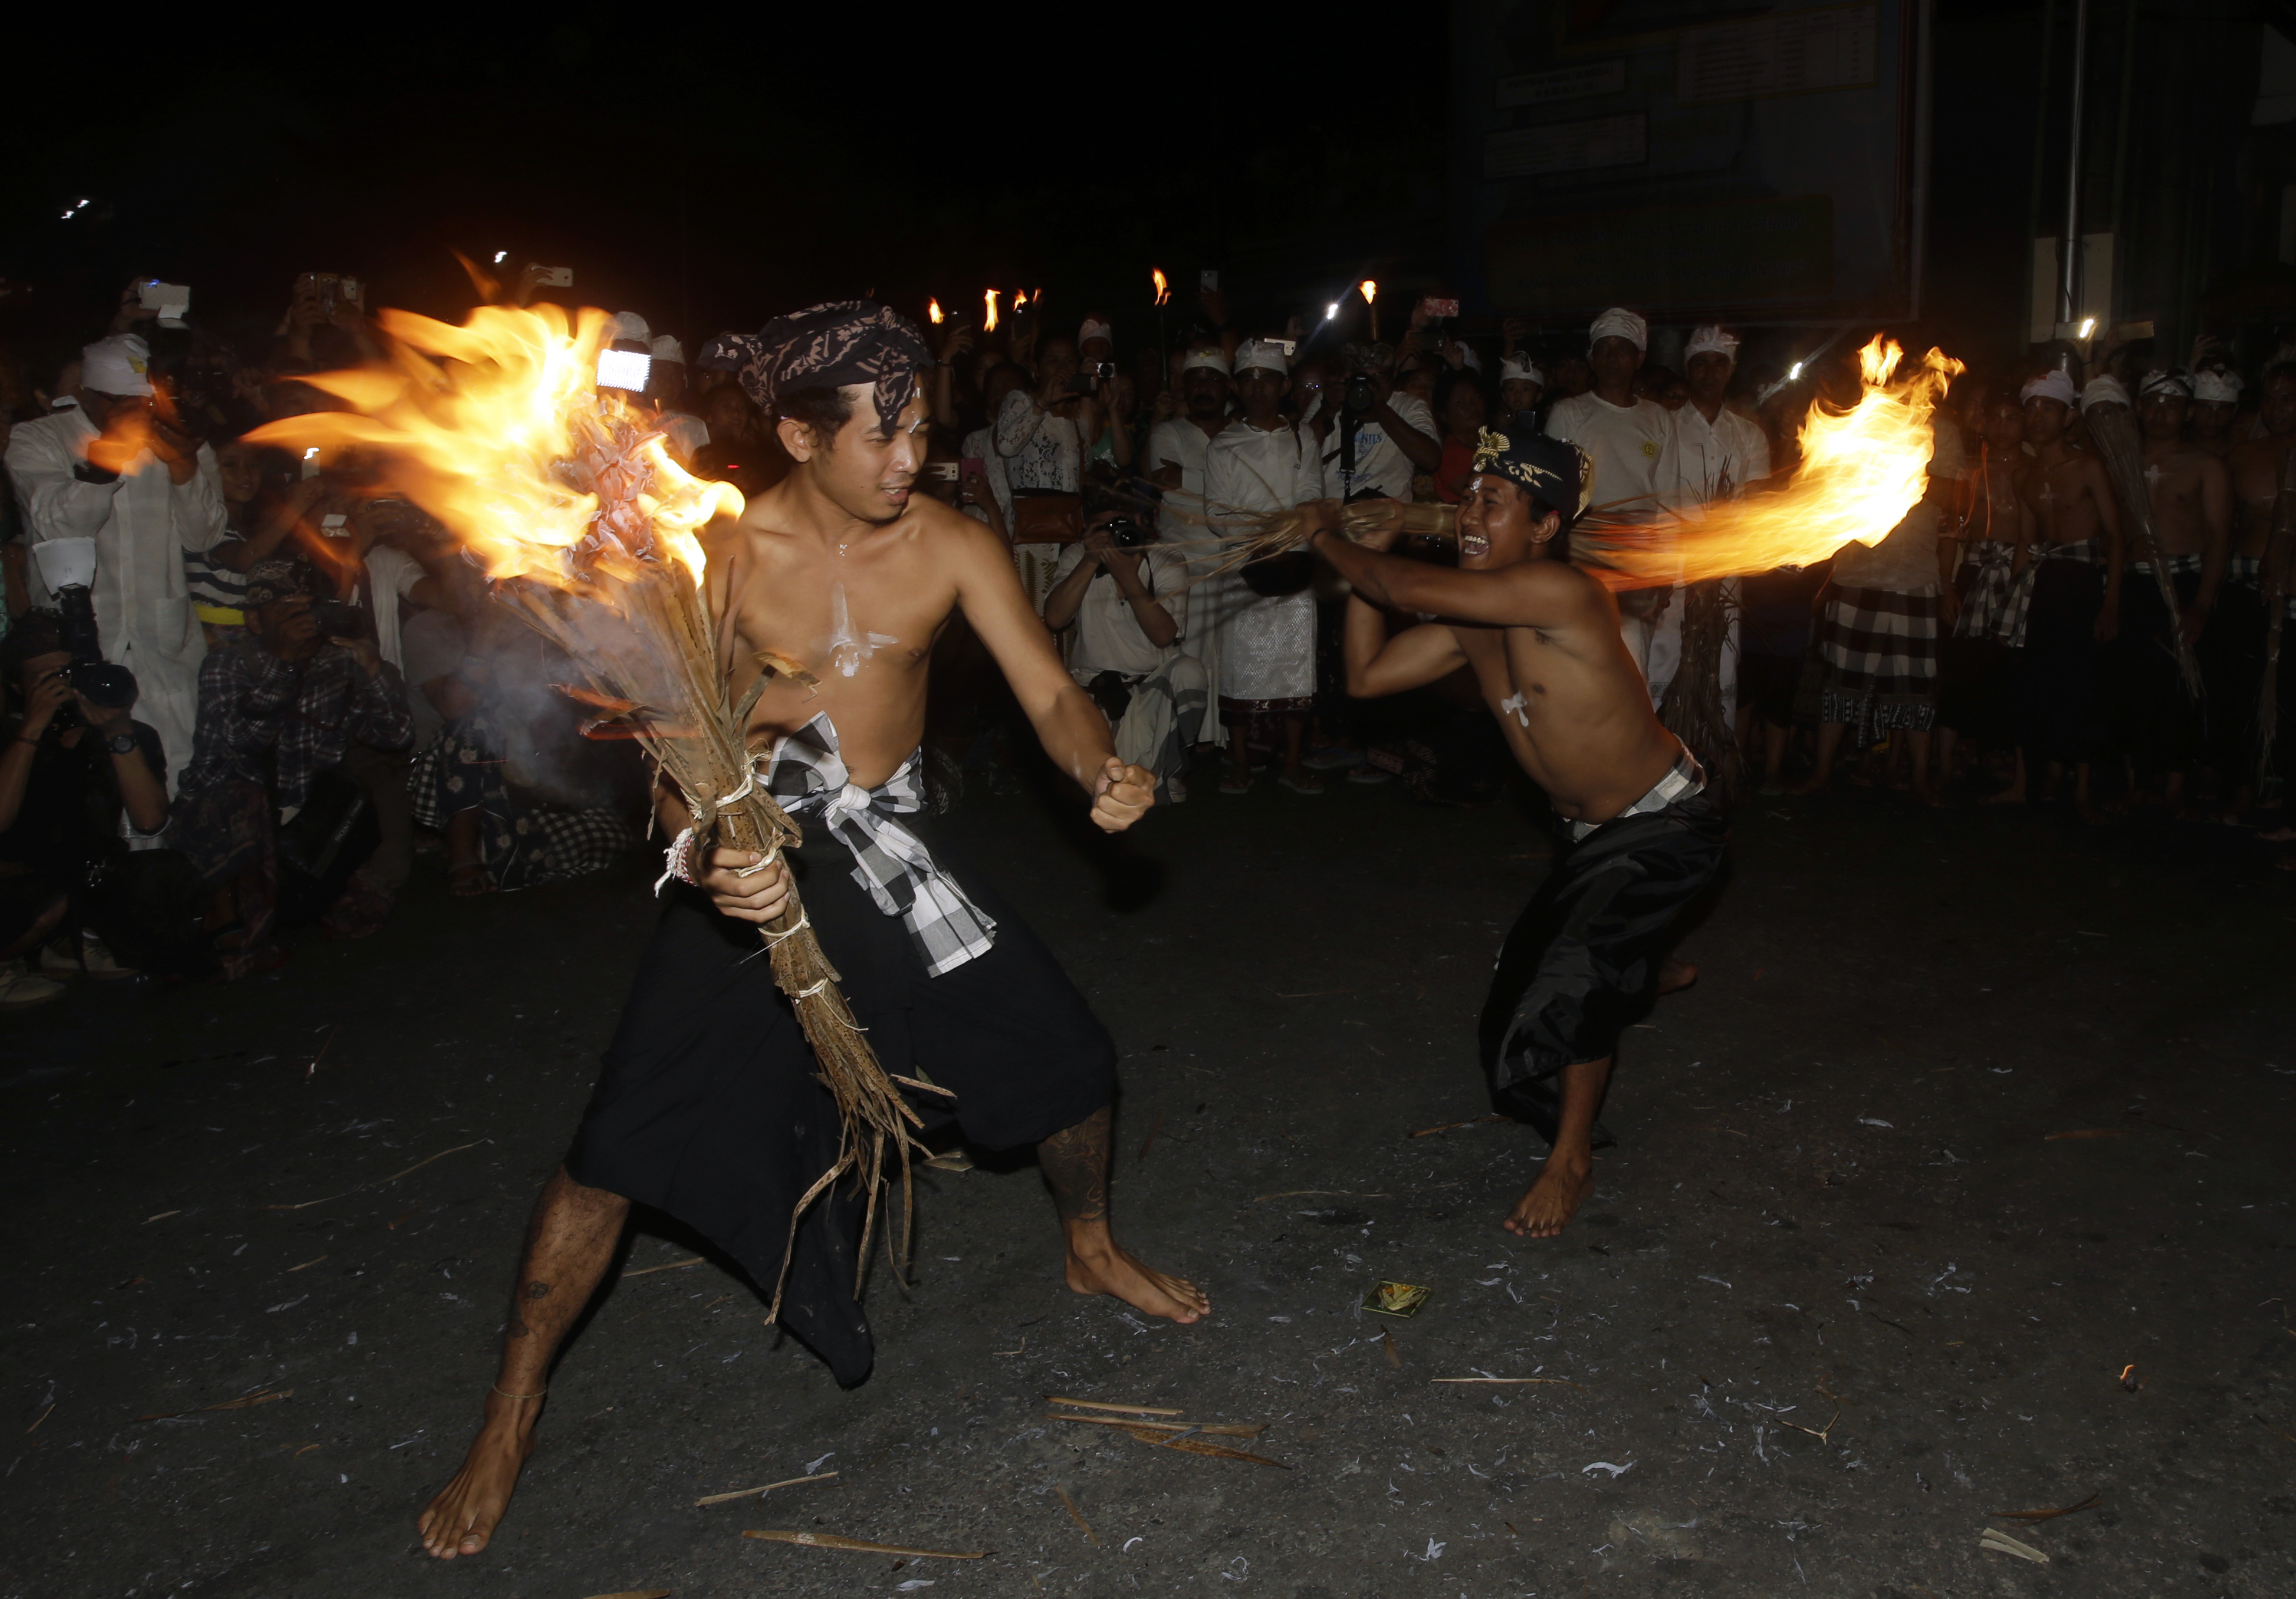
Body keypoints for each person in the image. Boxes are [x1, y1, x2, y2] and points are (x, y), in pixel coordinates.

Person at [416, 301, 1202, 1562]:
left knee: (1069, 1063)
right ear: (796, 432)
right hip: (754, 853)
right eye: (883, 435)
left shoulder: (949, 543)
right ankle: (511, 1408)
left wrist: (1099, 765)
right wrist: (707, 856)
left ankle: (1089, 1246)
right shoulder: (719, 555)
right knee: (615, 1145)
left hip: (889, 848)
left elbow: (1048, 687)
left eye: (921, 429)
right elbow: (675, 755)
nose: (911, 458)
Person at [1305, 427, 1720, 1238]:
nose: (1468, 514)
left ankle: (1571, 1160)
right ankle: (1638, 969)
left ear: (1543, 528)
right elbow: (1367, 674)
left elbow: (1393, 583)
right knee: (1512, 1010)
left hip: (1664, 825)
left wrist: (1329, 536)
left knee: (1568, 986)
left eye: (1493, 503)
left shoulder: (1562, 594)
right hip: (1586, 839)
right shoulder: (1472, 619)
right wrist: (1370, 560)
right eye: (1467, 496)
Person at [164, 557, 413, 976]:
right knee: (242, 797)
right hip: (227, 818)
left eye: (307, 609)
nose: (304, 622)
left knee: (365, 909)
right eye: (288, 612)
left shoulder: (336, 664)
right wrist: (284, 665)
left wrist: (375, 672)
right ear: (257, 622)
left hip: (298, 813)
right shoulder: (229, 666)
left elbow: (396, 738)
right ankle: (224, 914)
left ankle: (290, 897)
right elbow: (244, 746)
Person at [7, 334, 227, 792]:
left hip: (163, 643)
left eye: (144, 401)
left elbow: (205, 535)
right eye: (122, 402)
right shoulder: (37, 438)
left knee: (177, 773)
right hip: (77, 643)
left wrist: (186, 467)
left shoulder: (173, 433)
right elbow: (62, 524)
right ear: (88, 394)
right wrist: (108, 456)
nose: (138, 412)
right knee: (90, 790)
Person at [0, 610, 196, 988]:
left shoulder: (125, 734)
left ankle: (67, 948)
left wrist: (117, 732)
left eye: (69, 673)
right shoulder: (8, 735)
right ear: (18, 686)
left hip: (88, 874)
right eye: (47, 679)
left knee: (166, 877)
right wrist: (32, 728)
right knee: (44, 900)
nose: (63, 685)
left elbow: (150, 821)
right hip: (20, 879)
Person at [1999, 373, 2123, 819]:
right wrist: (2009, 605)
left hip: (2083, 582)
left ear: (2068, 416)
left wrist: (2110, 602)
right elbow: (2024, 543)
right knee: (2031, 682)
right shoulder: (2024, 476)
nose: (2036, 418)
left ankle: (2084, 789)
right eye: (2030, 408)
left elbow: (2114, 536)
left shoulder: (2088, 467)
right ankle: (2022, 783)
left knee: (2082, 683)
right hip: (2042, 581)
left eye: (2047, 409)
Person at [1204, 339, 1323, 794]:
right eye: (1248, 381)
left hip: (1293, 565)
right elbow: (1217, 513)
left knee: (1297, 665)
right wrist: (1258, 542)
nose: (1257, 390)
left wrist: (1289, 538)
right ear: (1238, 387)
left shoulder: (1301, 439)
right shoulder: (1224, 446)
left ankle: (1292, 762)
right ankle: (1239, 763)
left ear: (1284, 386)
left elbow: (1310, 493)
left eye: (1267, 380)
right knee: (1240, 665)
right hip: (1244, 566)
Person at [1545, 308, 1681, 701]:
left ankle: (1628, 756)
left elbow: (1668, 499)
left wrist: (1665, 573)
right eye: (1602, 350)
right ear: (1591, 358)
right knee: (1572, 663)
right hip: (1579, 553)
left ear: (1638, 357)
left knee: (1631, 667)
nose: (1610, 358)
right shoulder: (1569, 412)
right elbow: (1553, 494)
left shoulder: (1657, 418)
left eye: (1620, 350)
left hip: (1634, 559)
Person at [2116, 370, 2230, 807]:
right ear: (2139, 408)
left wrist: (2201, 603)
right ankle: (2135, 783)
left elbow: (2219, 536)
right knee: (2133, 683)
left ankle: (2176, 788)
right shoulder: (2120, 461)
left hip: (2184, 583)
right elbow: (2110, 529)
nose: (2161, 413)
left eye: (2172, 405)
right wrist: (2127, 548)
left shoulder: (2206, 466)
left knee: (2181, 685)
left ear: (2186, 412)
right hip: (2134, 584)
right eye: (2153, 403)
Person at [1042, 515, 1206, 799]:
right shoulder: (1078, 555)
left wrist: (1129, 578)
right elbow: (1055, 618)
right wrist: (1091, 560)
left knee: (1189, 671)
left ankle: (1172, 766)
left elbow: (1164, 635)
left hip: (1153, 686)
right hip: (1097, 689)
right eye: (1105, 527)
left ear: (1140, 522)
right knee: (1109, 786)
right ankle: (1153, 768)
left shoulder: (1165, 558)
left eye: (1121, 525)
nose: (1114, 534)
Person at [1660, 325, 1771, 723]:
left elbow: (1755, 507)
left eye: (1718, 363)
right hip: (1669, 568)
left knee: (1720, 661)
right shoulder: (1663, 427)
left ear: (1731, 369)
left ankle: (1712, 765)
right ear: (1687, 369)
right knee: (1664, 659)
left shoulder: (1748, 436)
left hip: (1723, 571)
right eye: (1700, 363)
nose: (1709, 372)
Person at [1936, 386, 2035, 784]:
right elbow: (1949, 533)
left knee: (2010, 672)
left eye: (2012, 418)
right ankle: (1943, 762)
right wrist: (1947, 586)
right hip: (1974, 575)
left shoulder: (2035, 469)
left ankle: (1998, 755)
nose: (2003, 426)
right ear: (1983, 423)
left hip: (2021, 577)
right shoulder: (1968, 471)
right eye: (1995, 418)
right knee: (1961, 667)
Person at [2216, 363, 2296, 812]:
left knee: (2288, 690)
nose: (2277, 408)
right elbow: (2222, 525)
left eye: (2288, 398)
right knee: (2240, 686)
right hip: (2244, 581)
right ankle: (2240, 781)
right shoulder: (2244, 457)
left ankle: (2283, 787)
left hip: (2294, 590)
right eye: (2270, 399)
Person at [1145, 348, 1234, 718]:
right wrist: (1225, 487)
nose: (1203, 388)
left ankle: (1230, 738)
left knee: (1229, 658)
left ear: (1227, 387)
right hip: (1181, 560)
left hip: (1231, 558)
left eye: (1211, 379)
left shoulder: (1242, 434)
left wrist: (1189, 478)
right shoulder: (1169, 432)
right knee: (1188, 656)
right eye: (1194, 380)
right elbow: (1167, 485)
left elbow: (1250, 498)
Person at [1316, 341, 1441, 504]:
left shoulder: (1409, 406)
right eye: (1363, 378)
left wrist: (1382, 412)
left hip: (1390, 513)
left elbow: (1431, 460)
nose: (1370, 385)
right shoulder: (1330, 400)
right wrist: (1327, 410)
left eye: (1379, 377)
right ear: (1347, 377)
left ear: (1394, 375)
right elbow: (1299, 455)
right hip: (1333, 512)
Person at [1433, 370, 1489, 504]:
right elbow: (1481, 494)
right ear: (1444, 415)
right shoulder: (1452, 454)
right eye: (1460, 402)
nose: (1471, 406)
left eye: (1476, 398)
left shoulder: (1493, 442)